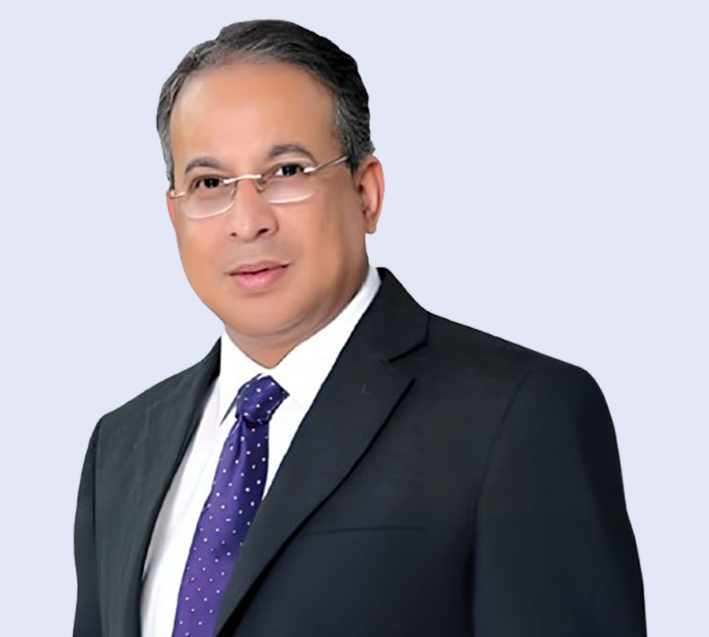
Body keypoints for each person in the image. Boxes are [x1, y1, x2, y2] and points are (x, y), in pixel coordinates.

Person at [72, 19, 646, 637]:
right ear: (175, 214)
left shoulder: (519, 416)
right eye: (209, 184)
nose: (247, 221)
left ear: (366, 193)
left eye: (287, 171)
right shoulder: (121, 447)